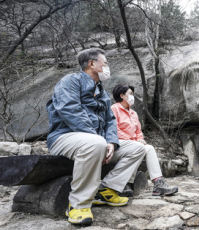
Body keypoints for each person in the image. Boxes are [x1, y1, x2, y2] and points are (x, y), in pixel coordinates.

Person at [47, 48, 147, 225]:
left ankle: (107, 190)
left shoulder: (102, 92)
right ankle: (77, 204)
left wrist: (111, 143)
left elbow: (110, 121)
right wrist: (99, 140)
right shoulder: (70, 81)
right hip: (64, 137)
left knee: (138, 148)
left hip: (97, 142)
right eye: (105, 63)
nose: (107, 67)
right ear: (92, 64)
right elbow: (70, 111)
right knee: (95, 144)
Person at [111, 84, 178, 197]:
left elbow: (138, 131)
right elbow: (114, 130)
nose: (133, 96)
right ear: (122, 95)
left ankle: (158, 183)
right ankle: (127, 183)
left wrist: (140, 139)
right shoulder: (114, 109)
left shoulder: (133, 113)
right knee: (138, 147)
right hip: (119, 143)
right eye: (130, 94)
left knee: (149, 148)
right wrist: (134, 141)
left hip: (134, 144)